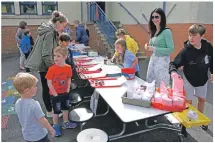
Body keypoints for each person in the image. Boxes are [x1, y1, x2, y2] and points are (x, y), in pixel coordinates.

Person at [169, 24, 213, 129]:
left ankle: (200, 119)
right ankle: (185, 124)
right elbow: (173, 64)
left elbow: (212, 61)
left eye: (194, 35)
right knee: (188, 101)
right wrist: (173, 72)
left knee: (202, 99)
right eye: (189, 35)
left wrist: (212, 72)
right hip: (189, 79)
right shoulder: (186, 51)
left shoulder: (208, 47)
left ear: (202, 36)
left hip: (202, 79)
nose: (191, 38)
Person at [25, 10, 68, 118]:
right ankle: (50, 111)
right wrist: (54, 69)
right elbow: (46, 54)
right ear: (58, 22)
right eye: (64, 25)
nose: (63, 28)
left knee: (47, 87)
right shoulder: (49, 32)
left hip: (45, 65)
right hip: (46, 66)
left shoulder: (50, 30)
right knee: (48, 87)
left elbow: (51, 49)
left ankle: (50, 109)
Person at [46, 46, 78, 137]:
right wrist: (55, 94)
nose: (55, 58)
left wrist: (68, 89)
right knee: (56, 111)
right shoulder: (52, 69)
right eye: (54, 55)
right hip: (55, 95)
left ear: (65, 57)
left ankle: (65, 123)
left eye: (58, 56)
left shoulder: (68, 68)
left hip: (65, 93)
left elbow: (68, 79)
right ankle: (55, 126)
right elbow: (49, 83)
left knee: (65, 108)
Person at [14, 73, 55, 142]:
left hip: (27, 135)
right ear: (27, 90)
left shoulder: (17, 103)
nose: (37, 88)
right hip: (39, 135)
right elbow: (42, 120)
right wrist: (50, 129)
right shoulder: (34, 104)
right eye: (34, 86)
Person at [145, 8, 174, 87]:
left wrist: (154, 49)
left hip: (162, 62)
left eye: (157, 17)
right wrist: (147, 46)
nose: (154, 19)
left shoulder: (166, 31)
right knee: (151, 84)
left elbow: (171, 49)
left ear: (162, 18)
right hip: (153, 60)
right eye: (153, 17)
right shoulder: (153, 31)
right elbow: (153, 44)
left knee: (161, 86)